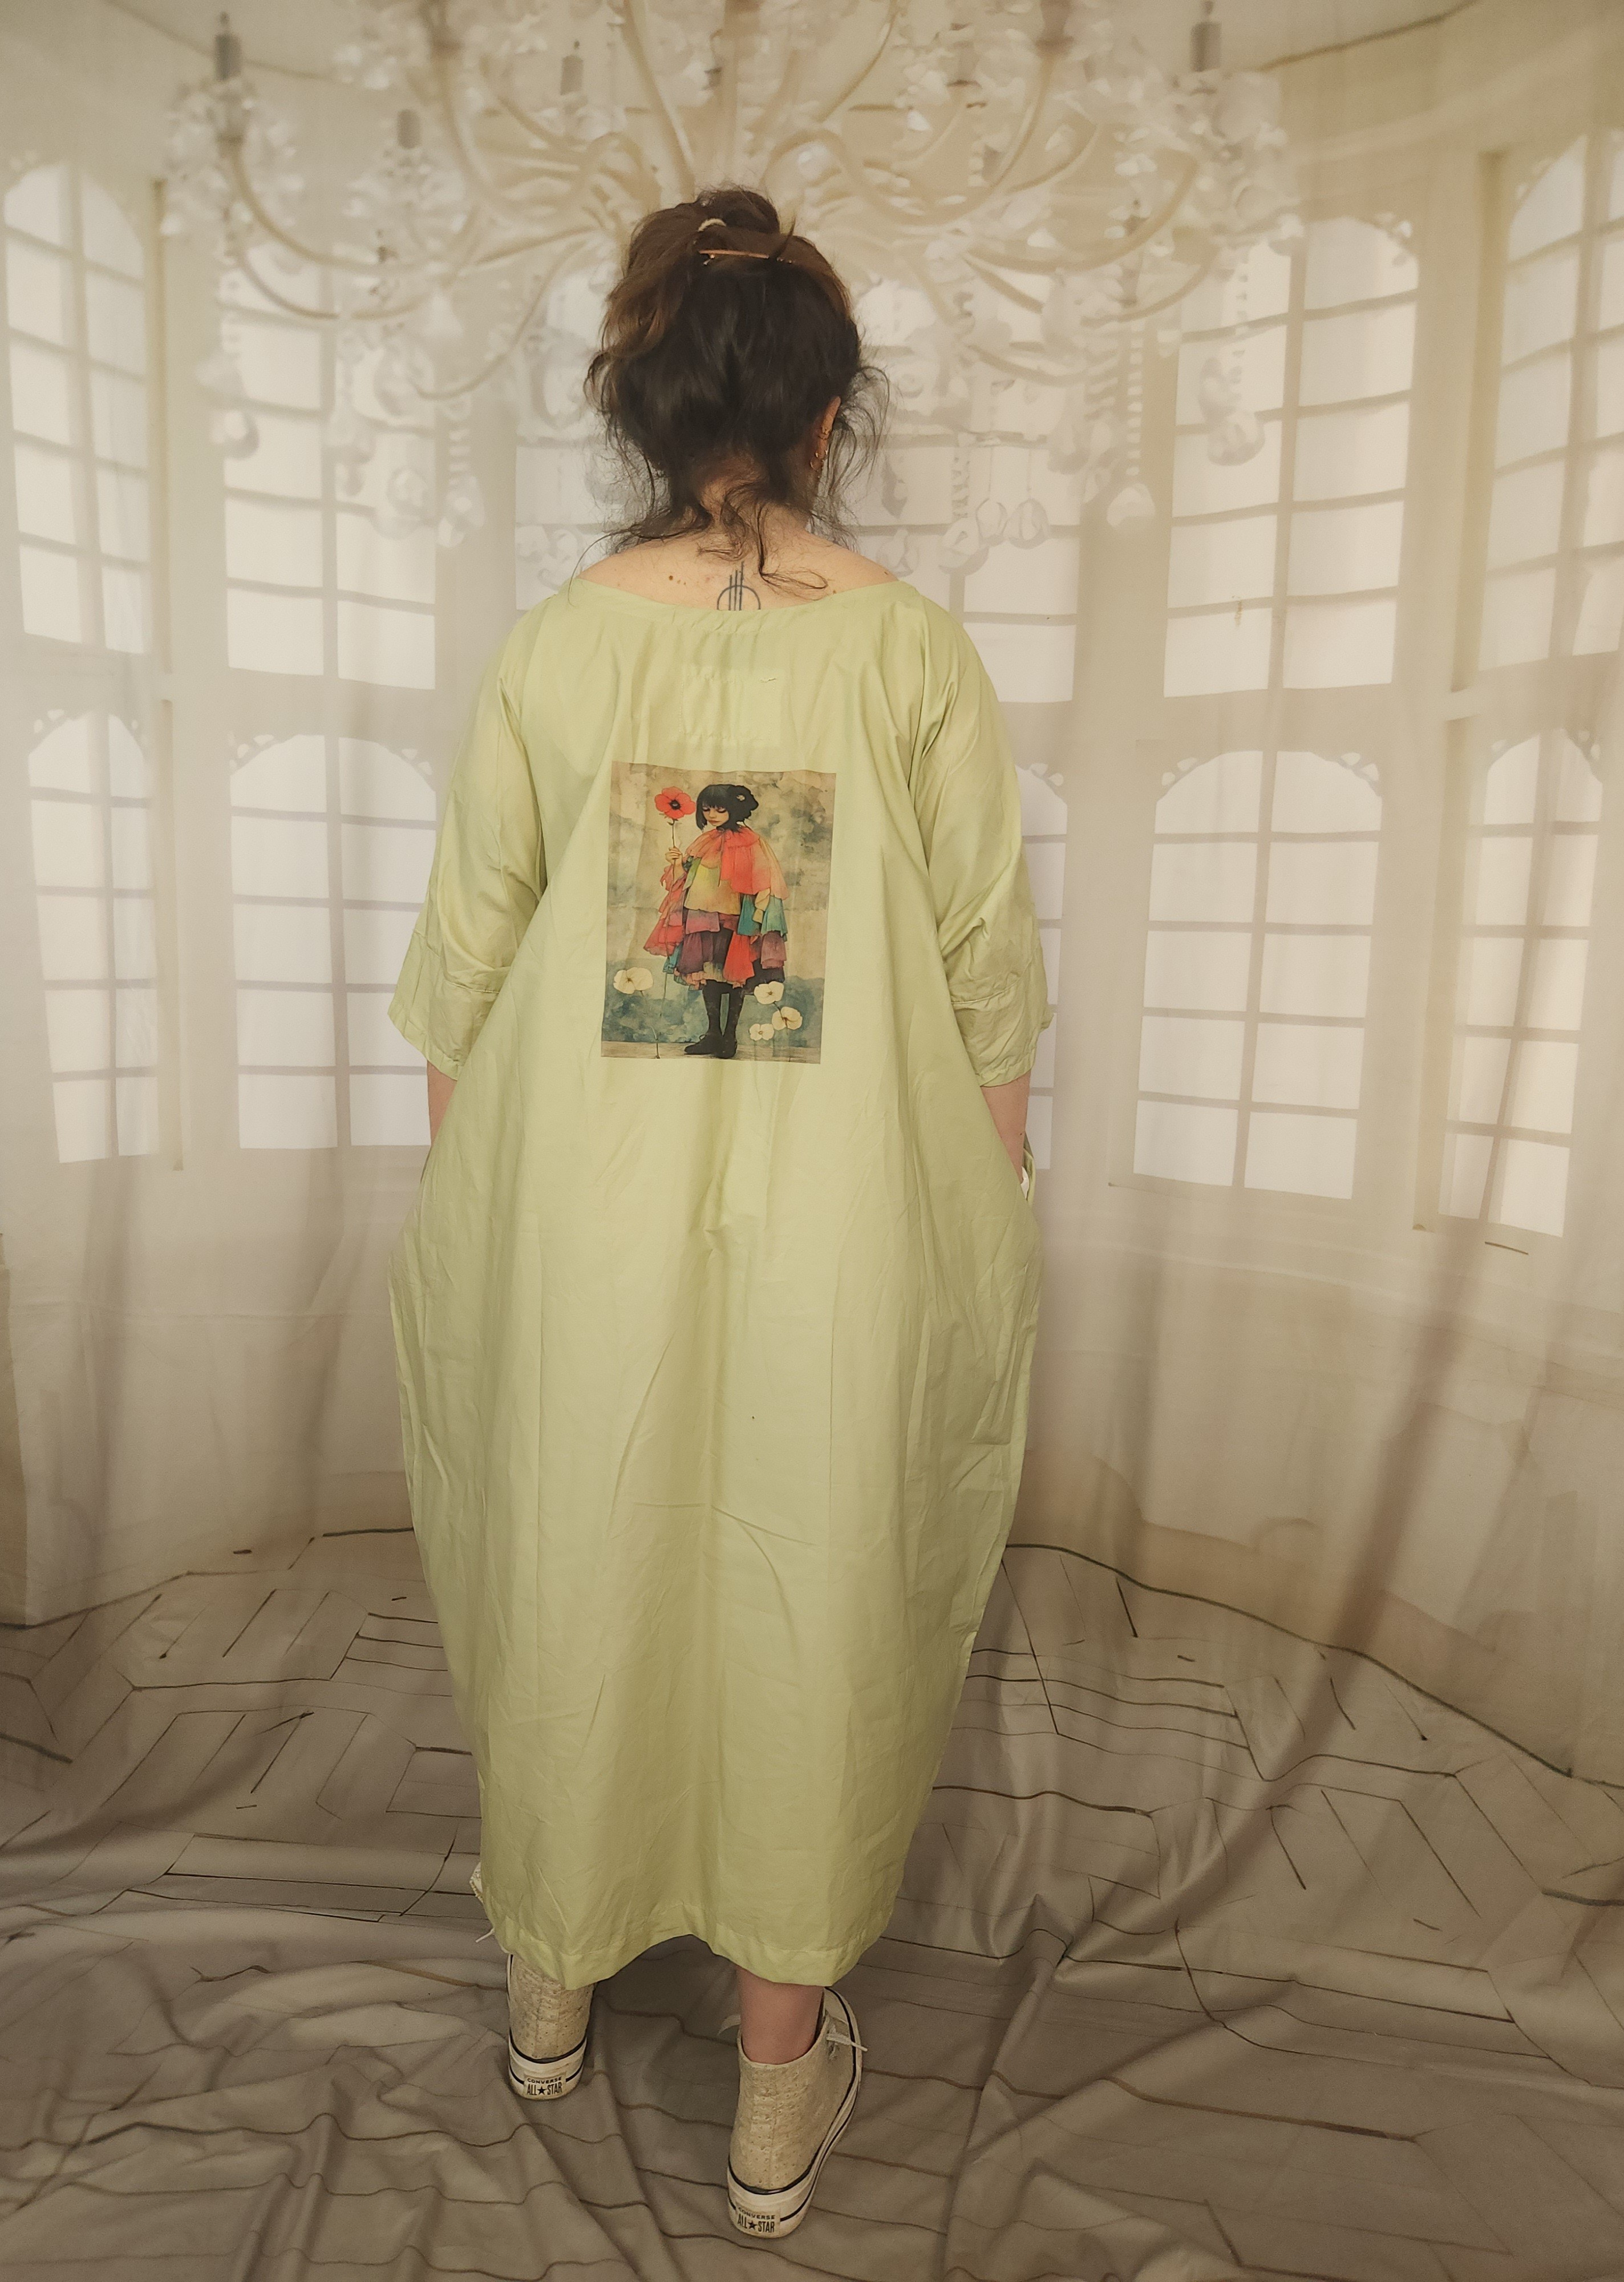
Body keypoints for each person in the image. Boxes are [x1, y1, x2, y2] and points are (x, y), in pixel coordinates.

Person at [386, 185, 1052, 2242]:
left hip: (576, 1216)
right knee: (816, 1588)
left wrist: (493, 1214)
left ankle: (548, 1996)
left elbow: (464, 970)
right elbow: (990, 986)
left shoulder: (556, 649)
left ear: (647, 411)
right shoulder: (914, 652)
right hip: (849, 1227)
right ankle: (773, 2098)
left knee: (570, 1551)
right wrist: (983, 1223)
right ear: (832, 413)